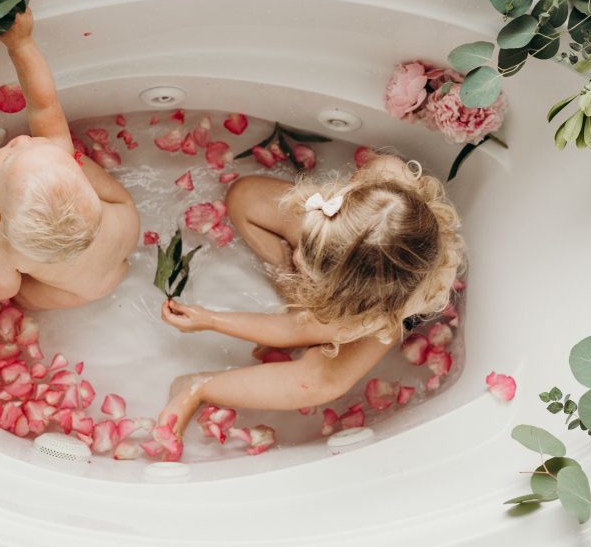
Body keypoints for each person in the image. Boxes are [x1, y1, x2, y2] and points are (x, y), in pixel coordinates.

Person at [156, 154, 464, 438]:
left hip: (385, 308)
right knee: (244, 197)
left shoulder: (364, 315)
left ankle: (198, 386)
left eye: (308, 261)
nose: (296, 257)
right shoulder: (388, 179)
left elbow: (294, 329)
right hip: (355, 237)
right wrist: (325, 235)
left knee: (321, 382)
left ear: (346, 297)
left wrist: (212, 320)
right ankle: (315, 273)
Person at [0, 9, 139, 309]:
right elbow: (44, 105)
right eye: (31, 145)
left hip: (84, 290)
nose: (21, 140)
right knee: (113, 197)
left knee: (24, 296)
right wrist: (21, 44)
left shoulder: (1, 247)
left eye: (10, 155)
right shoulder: (61, 155)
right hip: (123, 236)